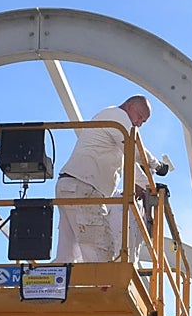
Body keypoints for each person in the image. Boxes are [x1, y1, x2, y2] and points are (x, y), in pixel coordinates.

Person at [54, 95, 164, 263]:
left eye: (144, 121)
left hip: (72, 186)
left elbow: (131, 168)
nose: (140, 123)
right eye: (140, 116)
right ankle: (102, 287)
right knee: (101, 249)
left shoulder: (113, 134)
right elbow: (135, 150)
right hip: (84, 189)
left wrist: (151, 185)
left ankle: (60, 287)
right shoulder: (117, 117)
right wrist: (157, 165)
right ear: (128, 106)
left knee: (69, 254)